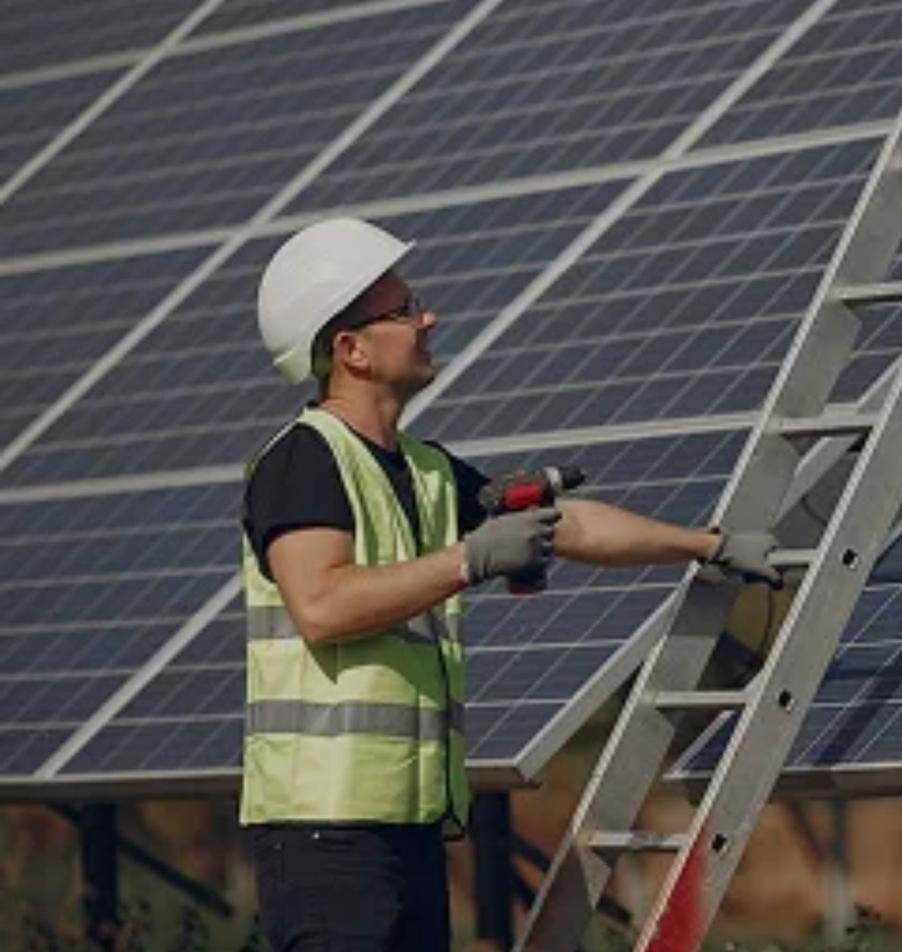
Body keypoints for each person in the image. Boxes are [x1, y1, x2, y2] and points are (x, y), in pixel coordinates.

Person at [242, 217, 782, 951]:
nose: (428, 319)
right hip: (324, 835)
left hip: (407, 828)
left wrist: (709, 546)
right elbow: (322, 606)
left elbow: (570, 525)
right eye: (404, 310)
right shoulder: (304, 461)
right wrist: (469, 560)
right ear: (351, 350)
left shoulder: (427, 470)